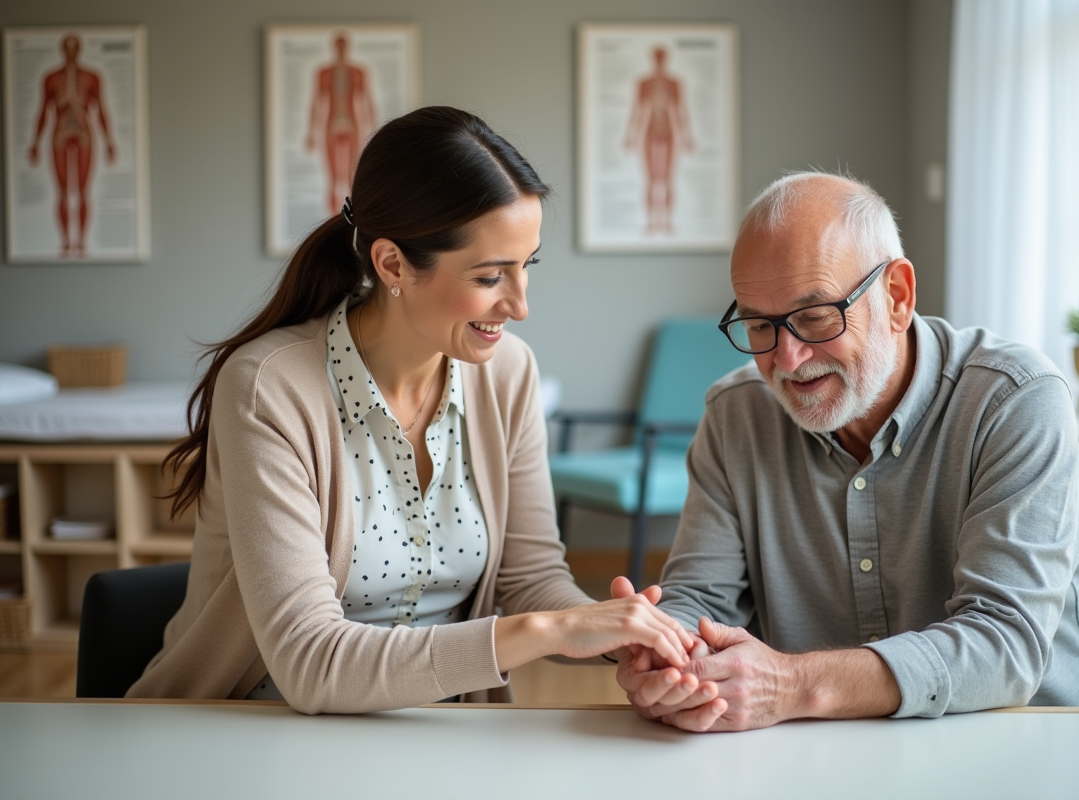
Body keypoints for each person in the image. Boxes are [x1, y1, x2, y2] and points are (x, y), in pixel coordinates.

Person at [128, 107, 694, 714]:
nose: (520, 305)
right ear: (392, 264)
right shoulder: (271, 388)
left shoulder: (508, 373)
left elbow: (529, 579)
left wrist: (616, 634)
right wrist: (543, 633)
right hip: (257, 727)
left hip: (442, 736)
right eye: (489, 276)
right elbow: (309, 662)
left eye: (526, 267)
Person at [611, 172, 1079, 731]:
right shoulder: (736, 416)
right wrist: (669, 654)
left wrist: (791, 684)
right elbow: (700, 597)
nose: (789, 358)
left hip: (1036, 744)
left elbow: (1003, 646)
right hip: (828, 754)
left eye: (815, 317)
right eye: (759, 325)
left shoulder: (1015, 401)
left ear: (896, 297)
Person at [27, 33, 117, 258]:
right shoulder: (51, 78)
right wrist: (35, 143)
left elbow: (102, 110)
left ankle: (83, 243)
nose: (70, 51)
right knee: (63, 192)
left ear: (80, 49)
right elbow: (42, 112)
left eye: (74, 46)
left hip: (84, 132)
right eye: (67, 47)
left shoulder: (92, 77)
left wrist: (109, 142)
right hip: (59, 133)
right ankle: (67, 243)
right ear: (61, 49)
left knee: (84, 191)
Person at [624, 46, 693, 235]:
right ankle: (650, 222)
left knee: (668, 178)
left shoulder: (674, 84)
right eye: (657, 58)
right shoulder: (644, 83)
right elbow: (637, 111)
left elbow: (681, 112)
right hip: (649, 133)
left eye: (661, 58)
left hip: (669, 133)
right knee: (651, 179)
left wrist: (686, 136)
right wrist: (630, 136)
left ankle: (668, 221)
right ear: (653, 59)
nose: (659, 61)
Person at [306, 32, 376, 216]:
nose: (341, 49)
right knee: (333, 177)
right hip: (332, 123)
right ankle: (331, 219)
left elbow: (368, 100)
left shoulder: (358, 72)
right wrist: (310, 132)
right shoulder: (324, 73)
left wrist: (375, 129)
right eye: (338, 45)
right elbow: (316, 102)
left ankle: (354, 219)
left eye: (343, 45)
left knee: (352, 176)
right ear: (334, 47)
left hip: (352, 123)